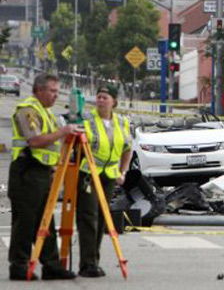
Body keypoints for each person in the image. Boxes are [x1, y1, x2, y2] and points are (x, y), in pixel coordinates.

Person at [8, 73, 78, 281]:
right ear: (39, 90)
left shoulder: (46, 112)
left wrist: (55, 167)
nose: (56, 95)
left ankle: (51, 264)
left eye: (57, 91)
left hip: (43, 172)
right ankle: (19, 266)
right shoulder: (28, 110)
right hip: (27, 172)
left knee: (46, 221)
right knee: (25, 221)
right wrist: (63, 132)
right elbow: (36, 141)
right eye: (52, 91)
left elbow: (50, 147)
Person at [76, 84, 132, 277]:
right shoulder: (87, 119)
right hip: (88, 175)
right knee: (88, 217)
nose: (100, 100)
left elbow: (127, 148)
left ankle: (94, 261)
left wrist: (122, 172)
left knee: (101, 219)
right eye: (98, 97)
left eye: (105, 97)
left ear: (114, 102)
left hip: (108, 176)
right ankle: (87, 264)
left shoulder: (121, 122)